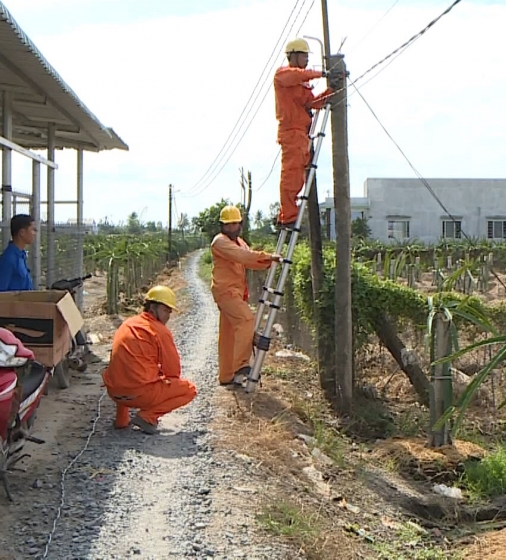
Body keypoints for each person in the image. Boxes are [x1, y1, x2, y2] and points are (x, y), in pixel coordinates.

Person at [102, 286, 196, 435]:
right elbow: (173, 373)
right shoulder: (159, 331)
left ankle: (121, 420)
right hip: (139, 396)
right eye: (166, 310)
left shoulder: (127, 324)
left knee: (126, 372)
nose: (168, 316)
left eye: (170, 312)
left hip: (114, 392)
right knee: (189, 390)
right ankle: (147, 417)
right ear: (153, 307)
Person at [210, 206, 281, 387]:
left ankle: (226, 376)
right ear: (222, 226)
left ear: (240, 224)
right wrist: (267, 257)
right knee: (246, 320)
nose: (232, 228)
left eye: (235, 224)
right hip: (226, 292)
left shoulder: (240, 242)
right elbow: (244, 256)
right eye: (228, 225)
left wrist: (268, 263)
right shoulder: (220, 242)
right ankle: (241, 365)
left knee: (228, 335)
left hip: (237, 293)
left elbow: (249, 261)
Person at [273, 37, 333, 229]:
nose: (307, 60)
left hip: (301, 134)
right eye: (304, 56)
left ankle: (290, 211)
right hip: (291, 132)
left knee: (298, 175)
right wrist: (321, 73)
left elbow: (311, 103)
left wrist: (331, 92)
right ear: (294, 56)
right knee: (291, 174)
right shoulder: (283, 75)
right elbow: (297, 76)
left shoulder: (302, 84)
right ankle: (288, 214)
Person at [0, 214, 36, 292]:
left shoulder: (21, 255)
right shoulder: (8, 259)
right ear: (22, 232)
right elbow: (0, 295)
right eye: (32, 230)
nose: (34, 233)